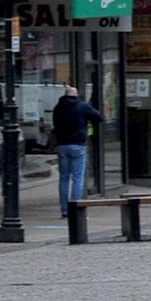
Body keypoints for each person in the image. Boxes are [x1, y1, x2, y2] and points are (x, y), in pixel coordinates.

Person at [50, 85, 102, 215]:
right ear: (76, 95)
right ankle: (76, 208)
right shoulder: (82, 106)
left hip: (62, 145)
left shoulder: (57, 108)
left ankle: (64, 209)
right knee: (77, 178)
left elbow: (55, 126)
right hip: (78, 145)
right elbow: (99, 117)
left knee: (64, 178)